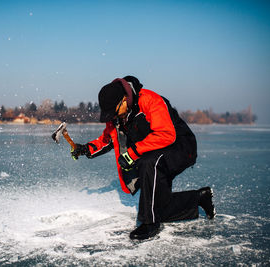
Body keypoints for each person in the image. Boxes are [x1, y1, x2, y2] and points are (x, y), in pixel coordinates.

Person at [71, 76, 216, 240]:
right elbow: (108, 139)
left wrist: (132, 153)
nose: (112, 117)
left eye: (114, 112)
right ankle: (199, 198)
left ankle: (150, 223)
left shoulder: (150, 100)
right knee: (159, 207)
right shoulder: (119, 116)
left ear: (124, 100)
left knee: (148, 164)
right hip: (156, 152)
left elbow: (166, 134)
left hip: (181, 147)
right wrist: (85, 149)